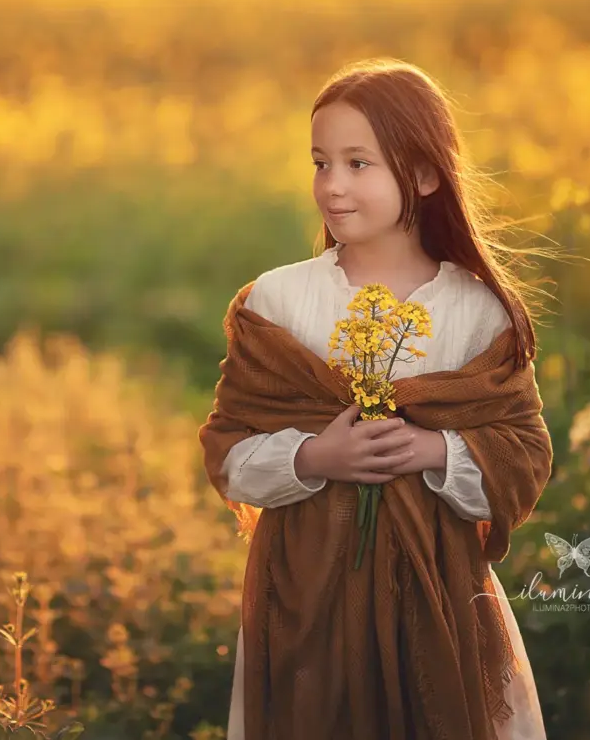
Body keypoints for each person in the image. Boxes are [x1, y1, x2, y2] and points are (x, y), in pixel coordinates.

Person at [199, 58, 554, 739]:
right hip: (302, 596)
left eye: (358, 163)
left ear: (423, 175)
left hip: (439, 599)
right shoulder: (277, 301)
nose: (331, 185)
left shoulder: (478, 310)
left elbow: (525, 456)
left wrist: (433, 449)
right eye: (320, 162)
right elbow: (228, 452)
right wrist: (314, 457)